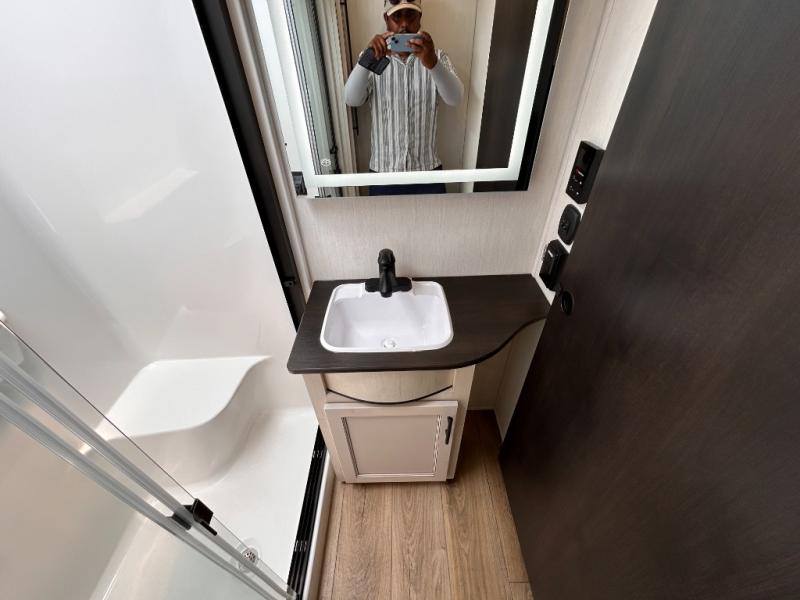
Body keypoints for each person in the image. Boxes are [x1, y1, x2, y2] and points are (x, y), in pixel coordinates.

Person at [344, 0, 464, 195]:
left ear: (419, 19)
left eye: (410, 15)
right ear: (386, 19)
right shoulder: (371, 57)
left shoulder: (437, 57)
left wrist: (432, 63)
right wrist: (366, 59)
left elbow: (455, 98)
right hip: (383, 174)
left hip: (427, 173)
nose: (404, 24)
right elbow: (351, 99)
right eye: (397, 17)